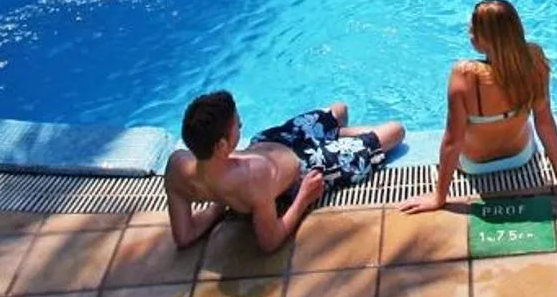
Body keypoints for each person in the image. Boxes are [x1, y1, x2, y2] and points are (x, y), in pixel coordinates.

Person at [402, 0, 557, 213]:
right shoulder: (534, 61)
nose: (469, 33)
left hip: (475, 166)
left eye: (473, 29)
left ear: (485, 39)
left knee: (459, 130)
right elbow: (544, 122)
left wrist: (439, 197)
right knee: (524, 121)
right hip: (520, 157)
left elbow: (453, 141)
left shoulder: (464, 75)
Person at [164, 89, 405, 253]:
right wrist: (304, 197)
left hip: (273, 141)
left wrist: (219, 204)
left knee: (339, 110)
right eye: (237, 125)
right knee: (396, 131)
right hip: (310, 165)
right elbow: (270, 242)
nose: (241, 125)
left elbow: (184, 235)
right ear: (222, 146)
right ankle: (339, 140)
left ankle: (337, 135)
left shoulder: (177, 166)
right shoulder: (252, 179)